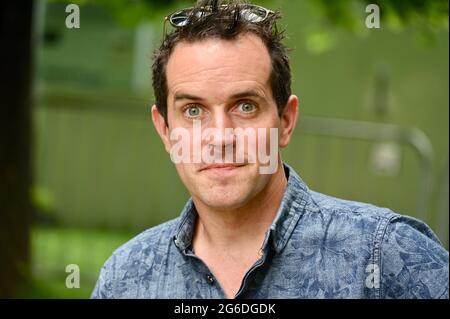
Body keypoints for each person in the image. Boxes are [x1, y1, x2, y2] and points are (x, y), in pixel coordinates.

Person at [92, 0, 449, 299]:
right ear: (165, 130)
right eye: (194, 111)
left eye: (245, 106)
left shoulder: (385, 255)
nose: (220, 137)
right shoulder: (126, 279)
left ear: (286, 121)